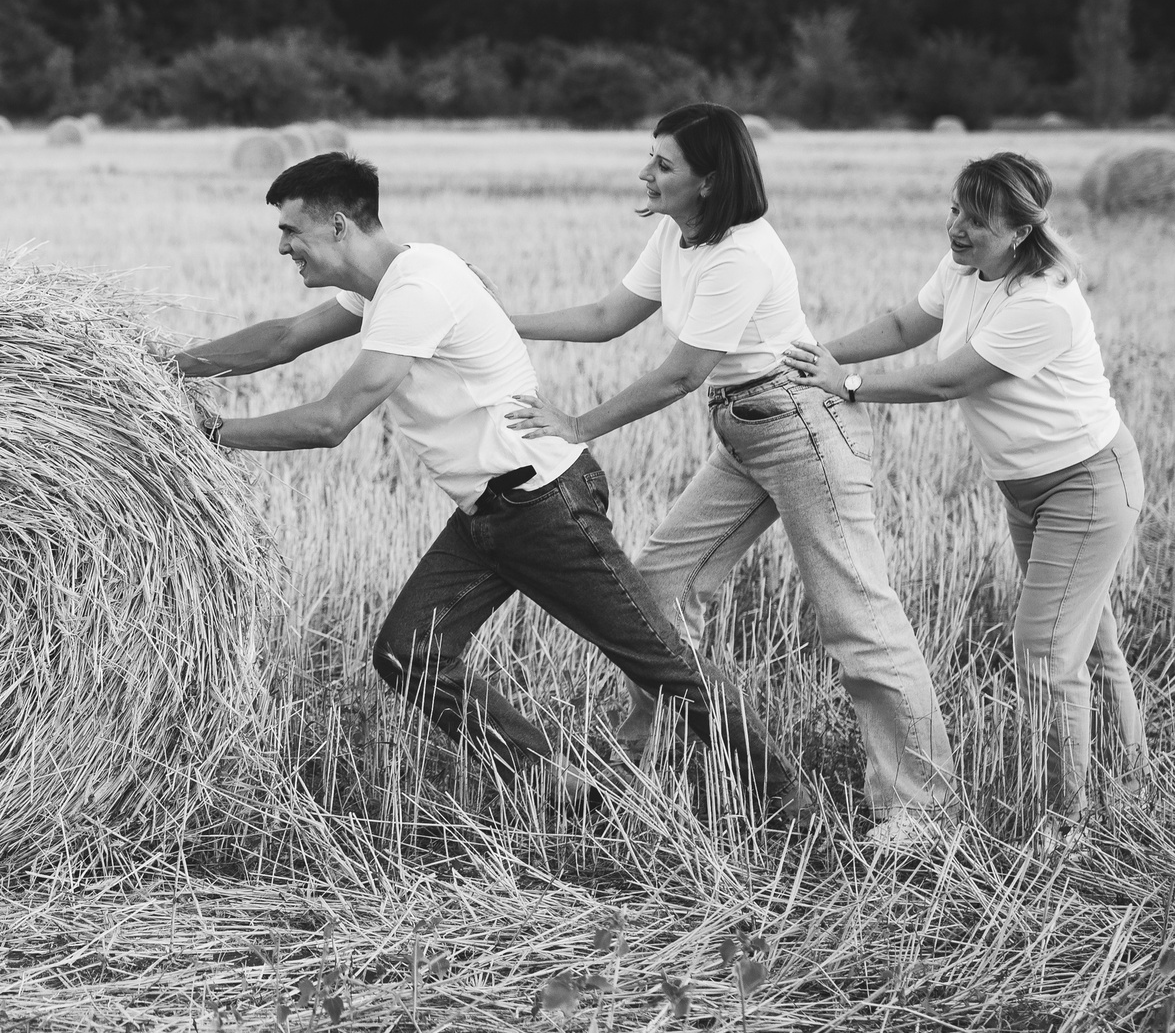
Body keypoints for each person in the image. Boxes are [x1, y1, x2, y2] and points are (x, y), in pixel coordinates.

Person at [177, 152, 797, 811]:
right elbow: (283, 338)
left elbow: (334, 420)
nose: (281, 247)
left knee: (662, 664)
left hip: (544, 504)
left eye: (290, 232)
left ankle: (787, 801)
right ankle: (557, 789)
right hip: (491, 513)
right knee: (408, 652)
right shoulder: (385, 281)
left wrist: (216, 434)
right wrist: (163, 367)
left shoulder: (418, 289)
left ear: (337, 227)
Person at [501, 102, 956, 850]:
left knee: (857, 620)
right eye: (650, 157)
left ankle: (922, 813)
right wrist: (501, 318)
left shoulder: (741, 253)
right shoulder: (677, 235)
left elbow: (681, 373)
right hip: (744, 431)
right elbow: (609, 313)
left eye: (663, 163)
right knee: (657, 592)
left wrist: (579, 425)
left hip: (800, 429)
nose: (646, 172)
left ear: (708, 181)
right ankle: (650, 771)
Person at [784, 152, 1144, 852]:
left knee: (1043, 651)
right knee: (1089, 643)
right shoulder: (964, 270)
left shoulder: (1043, 300)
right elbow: (899, 327)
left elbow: (949, 382)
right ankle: (1130, 777)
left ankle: (1066, 821)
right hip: (1028, 489)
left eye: (976, 220)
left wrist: (846, 386)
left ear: (1016, 230)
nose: (957, 227)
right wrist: (817, 355)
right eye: (955, 209)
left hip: (1088, 487)